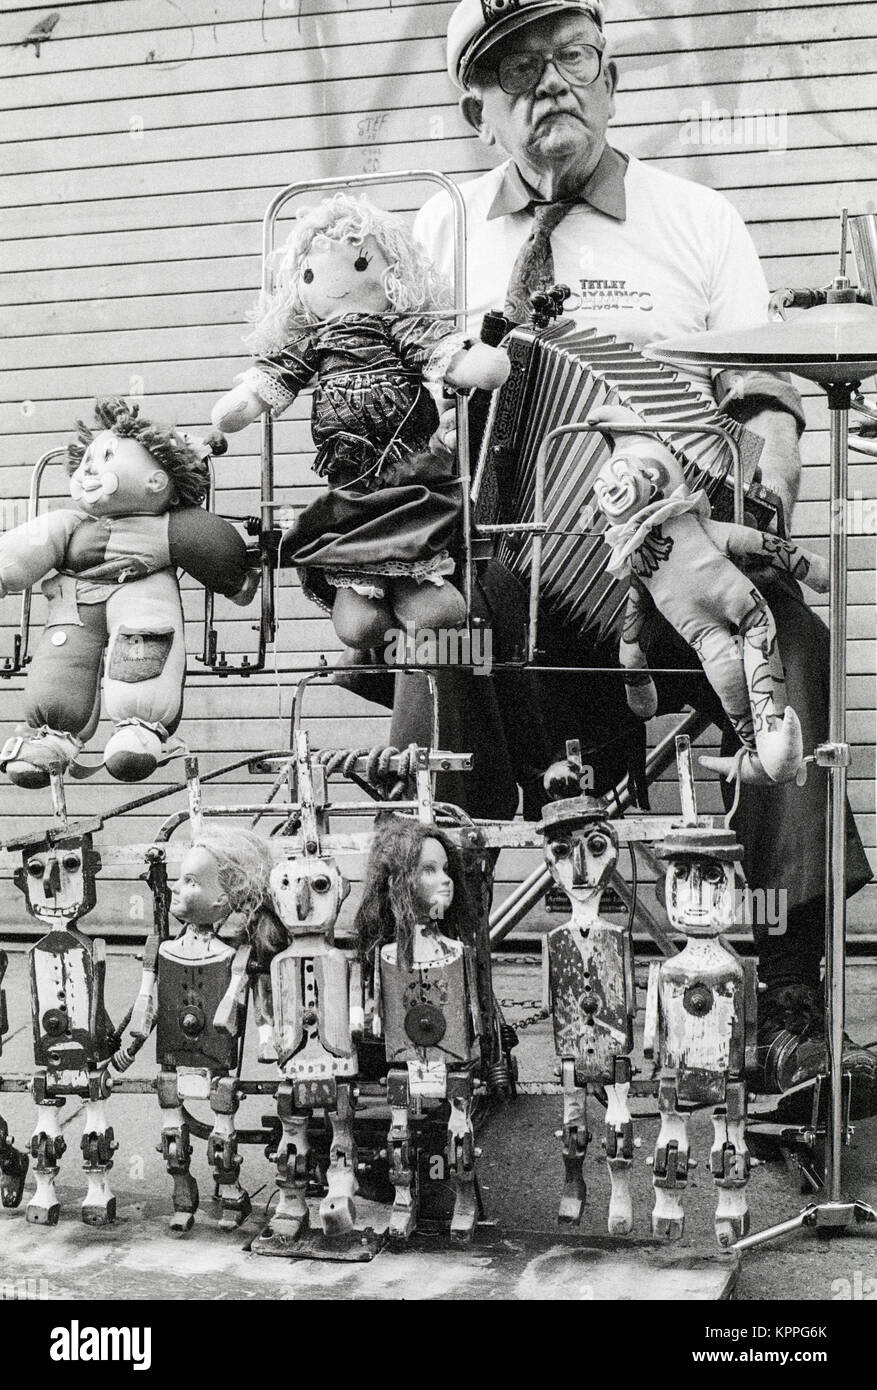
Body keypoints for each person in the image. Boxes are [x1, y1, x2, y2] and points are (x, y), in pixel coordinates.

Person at [388, 0, 875, 1116]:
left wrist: (768, 476)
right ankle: (439, 1004)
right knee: (435, 625)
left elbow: (763, 395)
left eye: (569, 56)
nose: (550, 83)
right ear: (479, 110)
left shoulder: (696, 220)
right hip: (506, 582)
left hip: (664, 586)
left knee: (787, 637)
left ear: (608, 76)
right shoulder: (443, 227)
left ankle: (791, 1015)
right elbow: (403, 428)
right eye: (517, 69)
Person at [211, 193, 508, 660]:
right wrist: (246, 402)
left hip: (412, 473)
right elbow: (277, 377)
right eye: (309, 275)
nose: (333, 285)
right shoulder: (315, 341)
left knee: (435, 611)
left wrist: (474, 364)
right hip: (348, 483)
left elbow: (443, 356)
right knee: (359, 622)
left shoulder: (399, 330)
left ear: (393, 272)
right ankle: (366, 594)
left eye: (359, 263)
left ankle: (414, 594)